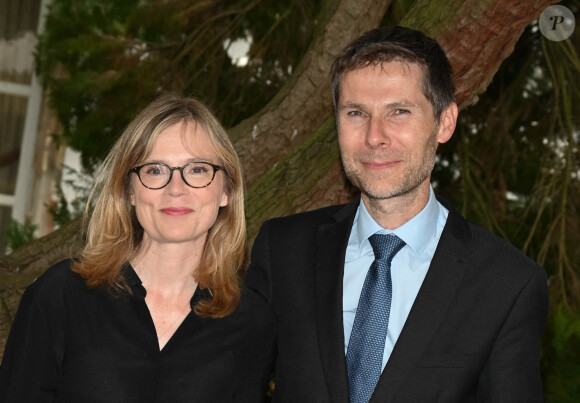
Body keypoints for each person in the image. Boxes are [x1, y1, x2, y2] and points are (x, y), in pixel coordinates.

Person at [246, 26, 548, 402]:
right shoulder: (283, 250)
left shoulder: (507, 285)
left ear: (445, 122)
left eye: (399, 112)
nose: (375, 136)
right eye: (356, 113)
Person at [0, 94, 275, 402]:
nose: (176, 189)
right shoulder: (60, 296)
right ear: (129, 191)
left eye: (197, 169)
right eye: (155, 170)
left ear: (226, 190)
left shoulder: (253, 322)